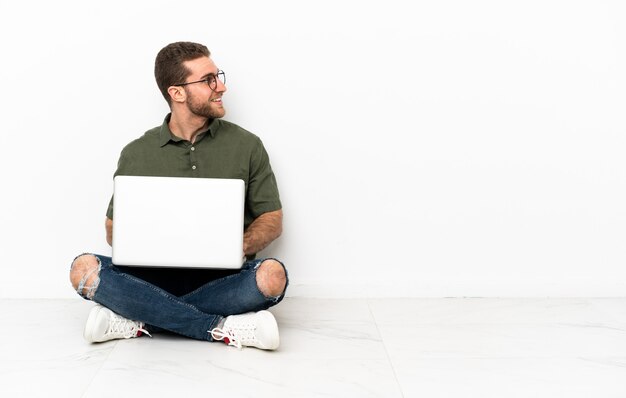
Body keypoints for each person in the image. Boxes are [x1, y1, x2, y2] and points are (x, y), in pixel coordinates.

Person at [69, 41, 288, 350]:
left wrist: (238, 244)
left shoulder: (247, 145)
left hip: (222, 280)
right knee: (83, 269)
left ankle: (139, 317)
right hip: (152, 278)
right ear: (177, 93)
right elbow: (112, 228)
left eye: (218, 76)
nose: (221, 87)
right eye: (209, 79)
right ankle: (220, 327)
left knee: (272, 276)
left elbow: (272, 219)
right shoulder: (137, 152)